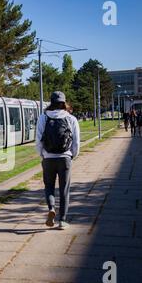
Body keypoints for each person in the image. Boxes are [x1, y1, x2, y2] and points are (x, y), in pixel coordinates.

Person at [36, 91, 80, 230]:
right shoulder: (71, 118)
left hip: (48, 158)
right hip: (65, 158)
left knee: (49, 186)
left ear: (51, 102)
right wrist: (72, 155)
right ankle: (62, 220)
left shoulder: (43, 117)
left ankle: (51, 208)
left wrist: (42, 154)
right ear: (64, 102)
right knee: (64, 189)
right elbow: (76, 142)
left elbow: (38, 140)